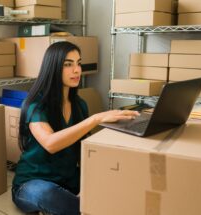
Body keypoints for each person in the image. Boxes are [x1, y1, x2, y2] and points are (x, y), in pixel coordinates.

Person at [11, 41, 139, 215]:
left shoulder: (79, 105)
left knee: (114, 182)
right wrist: (95, 118)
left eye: (79, 63)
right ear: (53, 68)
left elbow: (84, 151)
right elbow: (50, 143)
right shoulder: (36, 104)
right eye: (68, 65)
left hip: (68, 180)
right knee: (47, 194)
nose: (77, 70)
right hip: (32, 183)